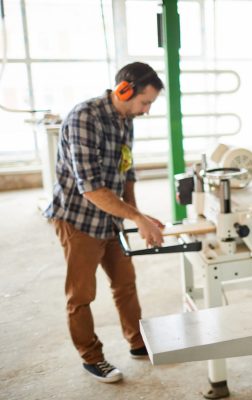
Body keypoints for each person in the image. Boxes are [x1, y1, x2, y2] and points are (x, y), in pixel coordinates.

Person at [44, 62, 166, 383]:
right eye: (145, 102)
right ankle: (92, 357)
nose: (147, 110)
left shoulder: (126, 119)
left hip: (111, 219)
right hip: (78, 219)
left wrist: (136, 216)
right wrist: (137, 217)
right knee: (81, 295)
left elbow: (126, 170)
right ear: (124, 90)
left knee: (125, 282)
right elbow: (92, 189)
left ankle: (138, 342)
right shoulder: (84, 118)